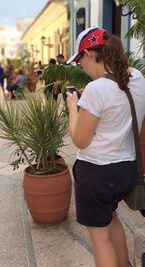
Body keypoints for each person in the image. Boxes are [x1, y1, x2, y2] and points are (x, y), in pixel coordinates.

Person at [66, 27, 145, 267]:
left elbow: (80, 140)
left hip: (97, 174)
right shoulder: (138, 79)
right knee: (111, 219)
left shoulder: (96, 89)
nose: (81, 67)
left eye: (80, 61)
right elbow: (120, 96)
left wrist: (73, 108)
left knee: (100, 238)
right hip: (127, 170)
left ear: (89, 54)